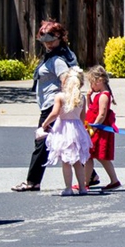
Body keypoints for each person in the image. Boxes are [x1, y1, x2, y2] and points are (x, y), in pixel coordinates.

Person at [12, 19, 78, 192]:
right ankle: (90, 175)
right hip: (50, 104)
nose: (48, 44)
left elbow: (67, 80)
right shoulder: (57, 54)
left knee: (41, 143)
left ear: (60, 38)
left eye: (51, 41)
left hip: (52, 105)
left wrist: (64, 101)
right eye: (45, 41)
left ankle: (33, 181)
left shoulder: (57, 59)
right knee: (68, 140)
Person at [40, 67, 92, 196]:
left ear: (65, 82)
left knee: (66, 161)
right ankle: (82, 187)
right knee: (77, 161)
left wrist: (45, 124)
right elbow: (83, 117)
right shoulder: (81, 97)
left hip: (64, 129)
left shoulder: (60, 97)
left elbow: (55, 113)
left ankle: (68, 188)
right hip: (77, 128)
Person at [84, 65, 122, 191]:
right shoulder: (98, 95)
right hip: (94, 128)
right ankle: (113, 180)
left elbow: (101, 114)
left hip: (99, 131)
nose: (91, 86)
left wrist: (93, 128)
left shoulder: (104, 96)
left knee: (92, 156)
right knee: (96, 156)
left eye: (92, 83)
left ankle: (85, 182)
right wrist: (89, 97)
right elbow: (91, 109)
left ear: (99, 80)